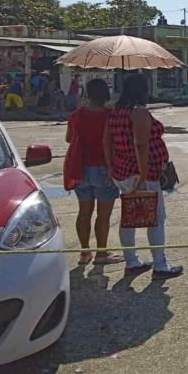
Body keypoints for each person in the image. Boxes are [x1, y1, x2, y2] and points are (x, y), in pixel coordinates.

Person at [104, 74, 183, 280]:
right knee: (156, 219)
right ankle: (160, 265)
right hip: (141, 174)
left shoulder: (116, 112)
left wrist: (111, 167)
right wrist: (142, 175)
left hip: (123, 171)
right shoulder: (138, 112)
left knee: (129, 217)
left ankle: (132, 261)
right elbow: (141, 145)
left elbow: (107, 141)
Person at [66, 79, 123, 266]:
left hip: (80, 168)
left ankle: (84, 252)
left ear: (87, 94)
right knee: (103, 215)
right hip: (104, 168)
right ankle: (101, 253)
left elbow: (69, 139)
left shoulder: (77, 115)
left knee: (84, 212)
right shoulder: (110, 115)